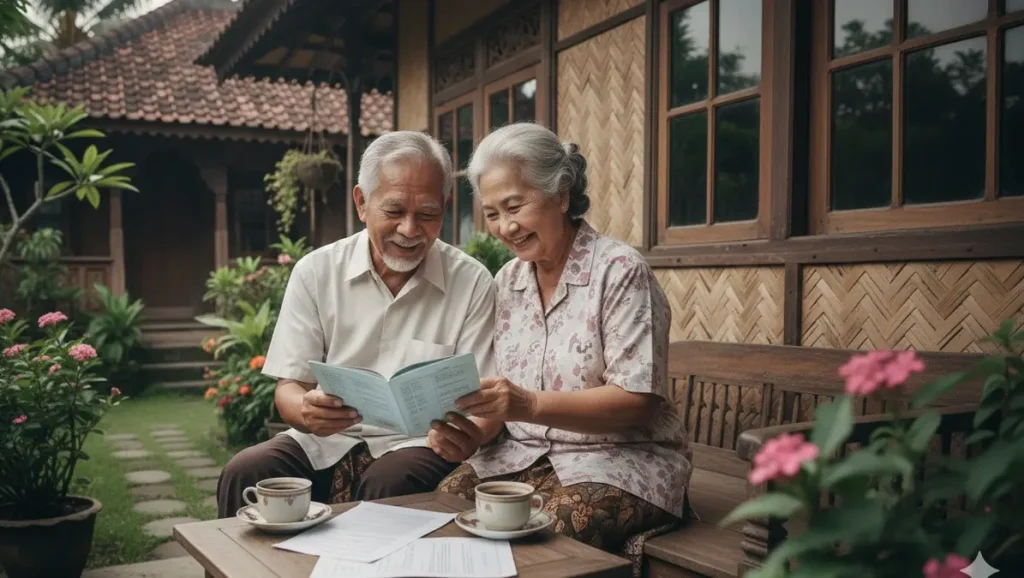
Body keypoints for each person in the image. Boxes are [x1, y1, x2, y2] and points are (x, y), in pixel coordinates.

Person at [429, 123, 692, 574]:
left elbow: (637, 402)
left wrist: (527, 404)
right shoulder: (508, 281)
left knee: (546, 532)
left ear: (562, 194)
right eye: (491, 213)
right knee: (442, 508)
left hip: (621, 460)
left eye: (515, 206)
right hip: (522, 458)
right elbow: (499, 402)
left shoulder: (620, 271)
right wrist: (472, 434)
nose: (505, 227)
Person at [216, 131, 498, 518]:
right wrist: (306, 410)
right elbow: (288, 388)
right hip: (327, 440)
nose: (410, 229)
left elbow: (488, 400)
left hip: (420, 444)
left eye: (428, 214)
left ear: (446, 208)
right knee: (246, 471)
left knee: (391, 481)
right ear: (362, 203)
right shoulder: (316, 272)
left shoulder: (473, 281)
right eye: (394, 211)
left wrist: (474, 433)